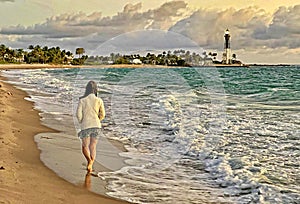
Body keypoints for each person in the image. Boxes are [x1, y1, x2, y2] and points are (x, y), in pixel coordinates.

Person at [76, 81, 105, 173]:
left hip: (86, 125)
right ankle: (91, 165)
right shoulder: (99, 100)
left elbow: (78, 115)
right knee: (93, 146)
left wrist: (82, 121)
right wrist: (98, 120)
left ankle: (89, 161)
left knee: (85, 146)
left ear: (87, 89)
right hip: (96, 125)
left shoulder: (82, 100)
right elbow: (103, 114)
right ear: (95, 89)